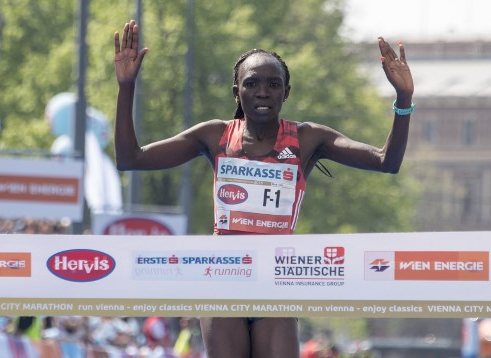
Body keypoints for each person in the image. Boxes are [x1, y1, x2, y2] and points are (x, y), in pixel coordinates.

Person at [114, 19, 414, 358]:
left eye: (274, 84)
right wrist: (127, 86)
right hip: (223, 278)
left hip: (276, 279)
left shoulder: (307, 138)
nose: (262, 92)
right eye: (252, 83)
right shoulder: (215, 136)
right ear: (237, 92)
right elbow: (130, 159)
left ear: (286, 92)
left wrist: (403, 99)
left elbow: (385, 161)